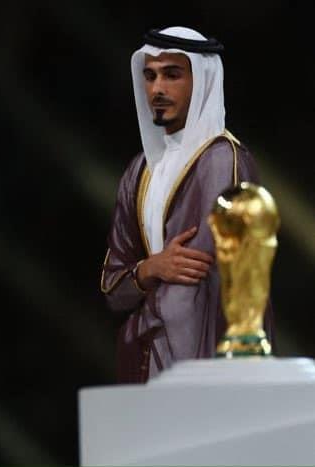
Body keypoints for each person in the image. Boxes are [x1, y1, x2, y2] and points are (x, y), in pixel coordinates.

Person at [100, 27, 273, 383]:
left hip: (204, 367)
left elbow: (194, 281)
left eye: (172, 74)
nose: (157, 89)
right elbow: (112, 288)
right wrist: (151, 268)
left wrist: (145, 279)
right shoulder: (139, 171)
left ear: (203, 81)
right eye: (150, 76)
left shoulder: (223, 162)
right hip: (145, 363)